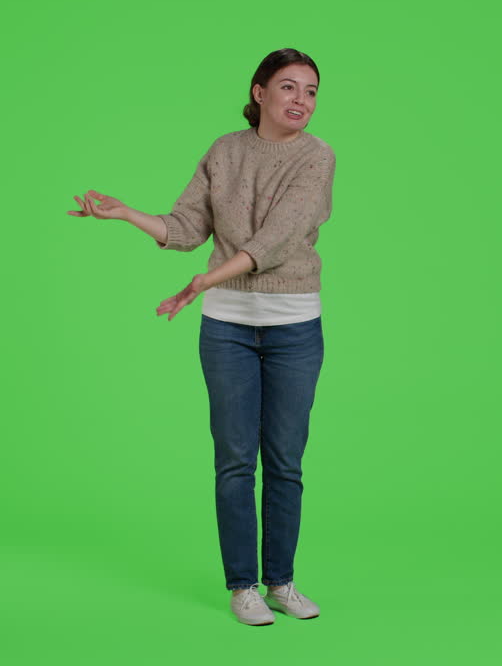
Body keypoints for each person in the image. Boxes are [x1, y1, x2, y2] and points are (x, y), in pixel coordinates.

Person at [67, 48, 335, 626]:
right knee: (234, 459)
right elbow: (189, 225)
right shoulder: (225, 150)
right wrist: (128, 215)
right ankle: (243, 586)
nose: (302, 101)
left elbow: (280, 239)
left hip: (292, 324)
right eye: (288, 88)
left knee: (284, 460)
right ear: (259, 92)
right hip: (228, 327)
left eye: (311, 91)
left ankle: (281, 581)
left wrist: (204, 280)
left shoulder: (318, 158)